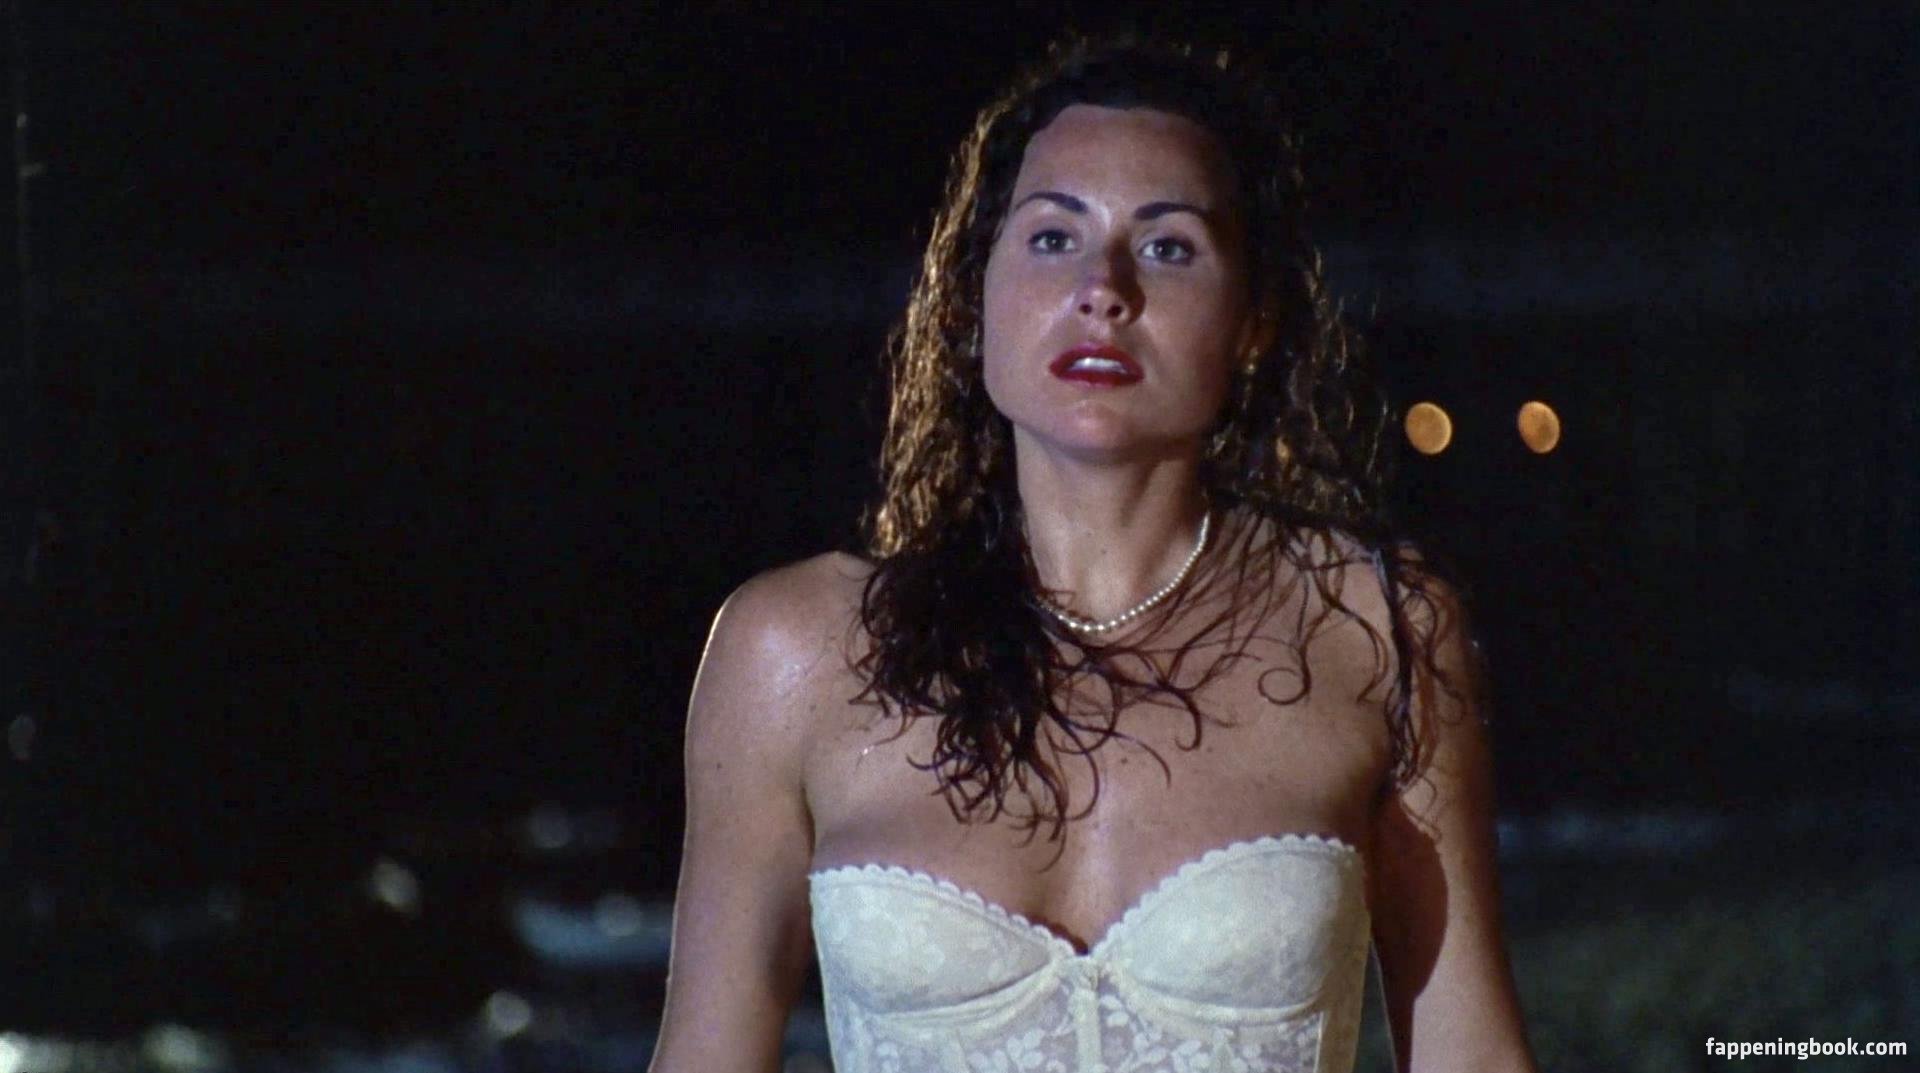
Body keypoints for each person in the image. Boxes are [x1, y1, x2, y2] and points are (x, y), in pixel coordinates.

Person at [650, 36, 1538, 1073]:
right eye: (1051, 236)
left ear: (1254, 322)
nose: (1103, 288)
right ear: (973, 297)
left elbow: (1473, 1053)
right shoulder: (791, 652)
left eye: (1168, 248)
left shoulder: (1378, 628)